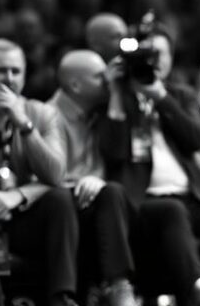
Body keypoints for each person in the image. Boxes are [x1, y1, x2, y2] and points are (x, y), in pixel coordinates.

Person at [101, 24, 200, 306]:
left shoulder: (179, 95)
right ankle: (199, 292)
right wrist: (116, 94)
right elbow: (113, 154)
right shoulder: (117, 96)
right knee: (171, 210)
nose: (154, 60)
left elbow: (194, 140)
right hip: (143, 204)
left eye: (160, 53)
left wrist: (159, 97)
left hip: (193, 198)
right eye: (147, 52)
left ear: (171, 58)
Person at [0, 39, 79, 306]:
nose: (9, 79)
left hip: (20, 217)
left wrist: (23, 123)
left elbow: (57, 174)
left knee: (60, 200)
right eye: (0, 70)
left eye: (16, 71)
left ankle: (61, 298)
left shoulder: (42, 112)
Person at [49, 50, 136, 306]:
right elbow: (49, 173)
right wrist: (82, 181)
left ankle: (118, 285)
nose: (107, 80)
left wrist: (117, 93)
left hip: (94, 203)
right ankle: (118, 288)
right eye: (100, 77)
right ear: (75, 85)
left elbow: (115, 154)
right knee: (111, 192)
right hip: (62, 206)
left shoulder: (97, 111)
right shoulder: (49, 114)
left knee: (112, 192)